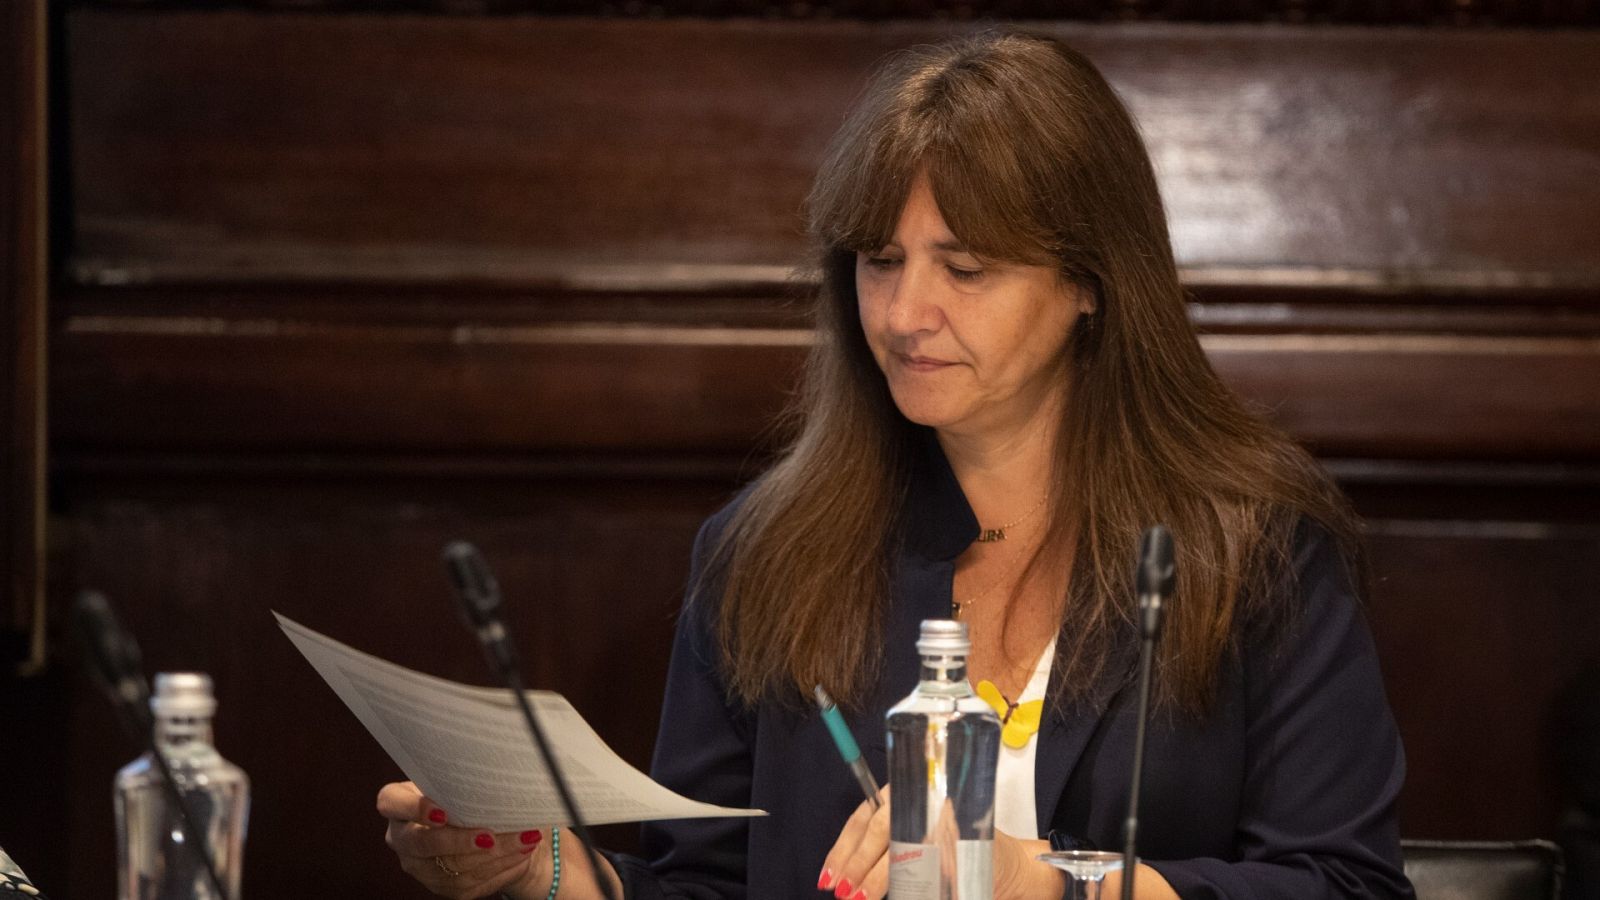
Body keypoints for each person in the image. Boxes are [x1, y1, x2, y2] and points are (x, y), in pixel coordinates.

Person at [378, 30, 1413, 900]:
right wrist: (541, 873)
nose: (905, 315)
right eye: (879, 261)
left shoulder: (1254, 546)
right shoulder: (762, 554)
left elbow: (1346, 884)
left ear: (1091, 283)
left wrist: (1053, 885)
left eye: (964, 268)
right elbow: (705, 885)